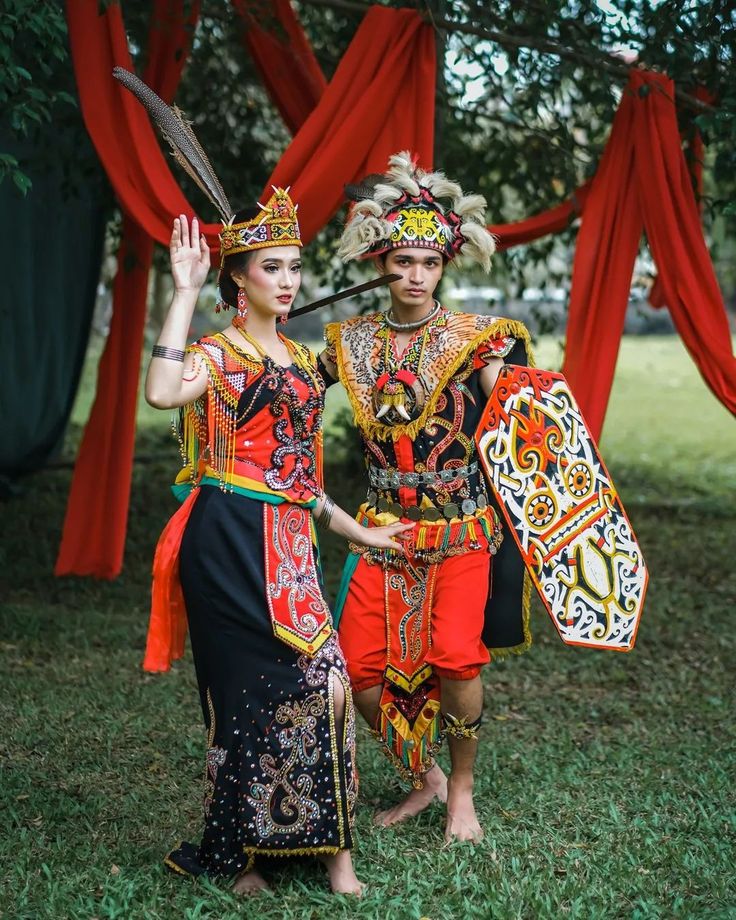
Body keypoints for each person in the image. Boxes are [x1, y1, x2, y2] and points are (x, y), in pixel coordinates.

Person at [143, 193, 411, 896]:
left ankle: (336, 858)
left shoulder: (299, 359)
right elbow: (162, 392)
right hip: (227, 537)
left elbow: (298, 476)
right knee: (242, 694)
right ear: (239, 277)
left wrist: (358, 529)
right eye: (272, 267)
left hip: (288, 541)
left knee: (329, 683)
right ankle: (244, 857)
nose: (288, 280)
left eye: (294, 266)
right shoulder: (219, 354)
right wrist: (184, 290)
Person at [317, 152, 534, 844]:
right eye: (403, 261)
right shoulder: (351, 342)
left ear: (445, 266)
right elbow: (290, 391)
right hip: (381, 532)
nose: (415, 275)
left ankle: (461, 792)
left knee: (456, 656)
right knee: (357, 670)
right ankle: (425, 778)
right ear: (381, 262)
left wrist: (511, 387)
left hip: (460, 531)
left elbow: (522, 412)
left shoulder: (474, 341)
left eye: (429, 263)